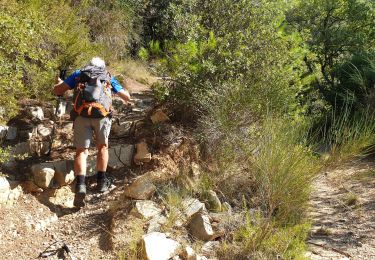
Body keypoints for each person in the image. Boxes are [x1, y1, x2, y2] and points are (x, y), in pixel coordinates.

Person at [53, 57, 130, 207]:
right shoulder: (107, 76)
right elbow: (126, 97)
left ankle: (81, 185)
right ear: (103, 67)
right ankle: (101, 181)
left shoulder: (78, 74)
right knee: (102, 147)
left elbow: (57, 90)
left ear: (88, 65)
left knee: (81, 151)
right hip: (101, 116)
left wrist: (58, 82)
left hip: (82, 115)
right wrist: (122, 91)